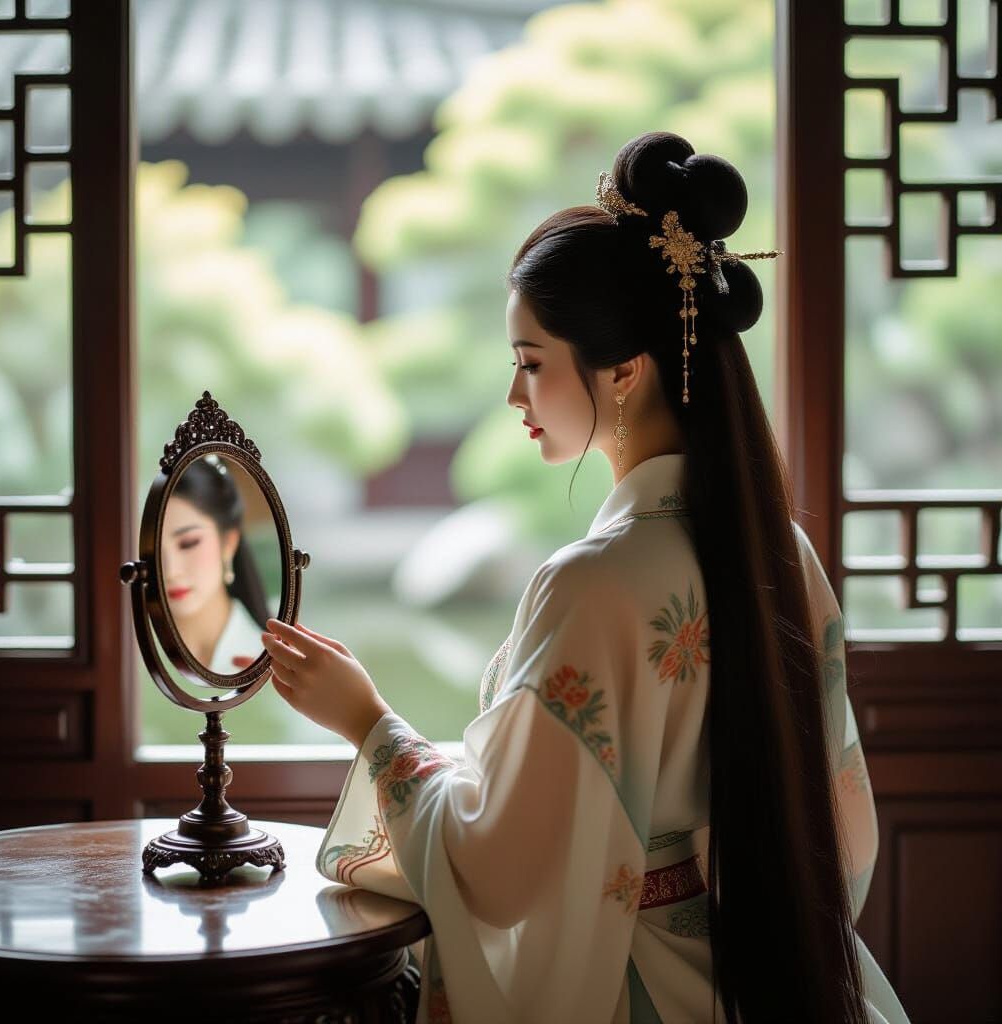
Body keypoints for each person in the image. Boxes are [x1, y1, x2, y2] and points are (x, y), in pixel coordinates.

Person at [259, 131, 912, 1023]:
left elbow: (501, 859)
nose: (514, 397)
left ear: (626, 371)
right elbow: (842, 826)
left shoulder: (593, 582)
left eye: (531, 363)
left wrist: (368, 722)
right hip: (767, 974)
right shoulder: (780, 550)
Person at [160, 455, 272, 677]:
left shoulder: (267, 661)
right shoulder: (129, 658)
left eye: (189, 543)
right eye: (153, 552)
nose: (170, 571)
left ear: (228, 543)